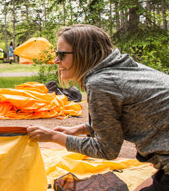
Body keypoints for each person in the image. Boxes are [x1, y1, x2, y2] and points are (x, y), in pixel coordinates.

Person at [26, 24, 169, 190]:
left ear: (82, 54)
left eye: (61, 54)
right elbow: (123, 119)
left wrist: (53, 137)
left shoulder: (101, 83)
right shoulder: (126, 69)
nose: (56, 60)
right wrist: (82, 129)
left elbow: (106, 150)